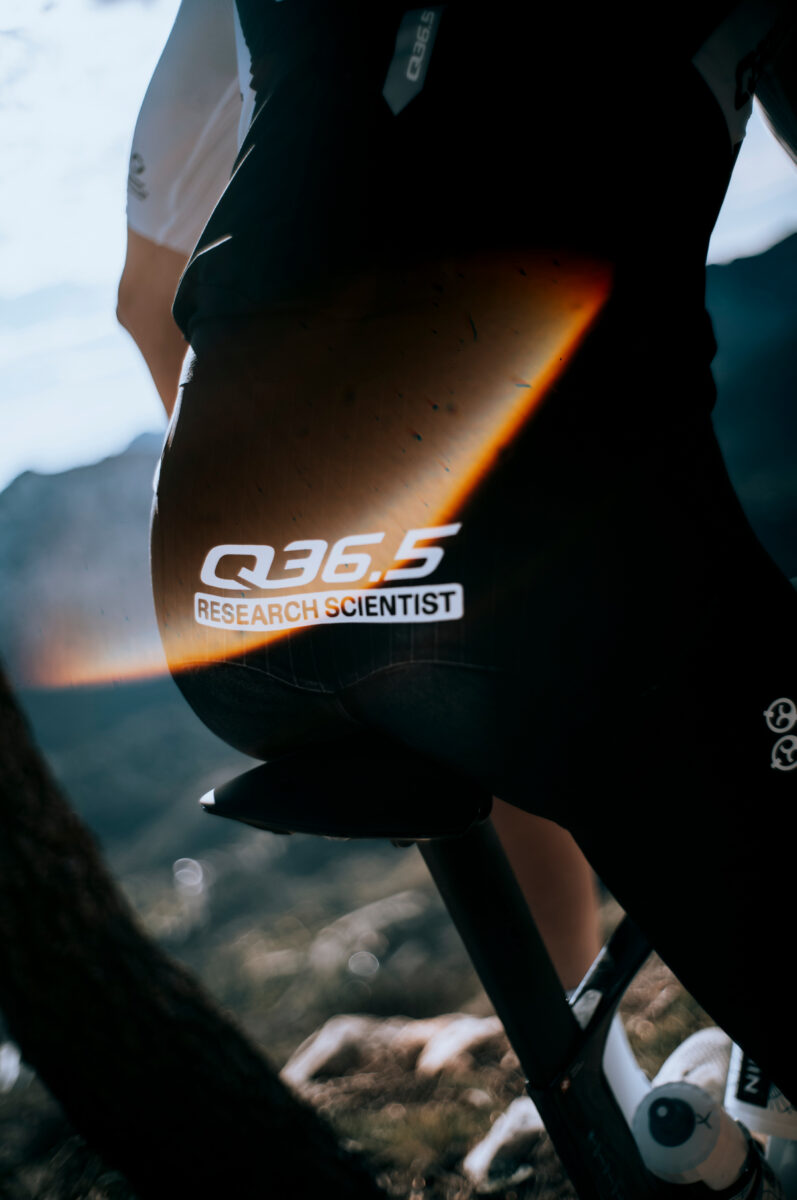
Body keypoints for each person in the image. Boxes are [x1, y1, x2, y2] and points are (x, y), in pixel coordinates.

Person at [119, 0, 797, 1110]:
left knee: (486, 672)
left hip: (221, 604)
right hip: (528, 578)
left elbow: (142, 304)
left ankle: (608, 1096)